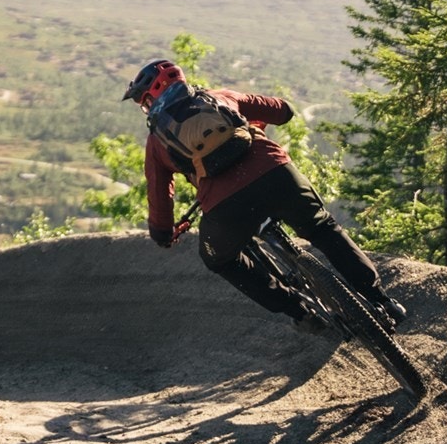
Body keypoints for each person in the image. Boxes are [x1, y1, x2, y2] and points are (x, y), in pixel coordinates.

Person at [121, 57, 406, 335]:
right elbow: (283, 111)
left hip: (225, 207)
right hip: (277, 174)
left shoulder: (156, 141)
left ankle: (299, 312)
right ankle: (381, 301)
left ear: (151, 96)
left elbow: (159, 194)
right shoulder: (220, 97)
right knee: (322, 227)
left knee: (220, 260)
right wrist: (252, 123)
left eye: (144, 101)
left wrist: (163, 233)